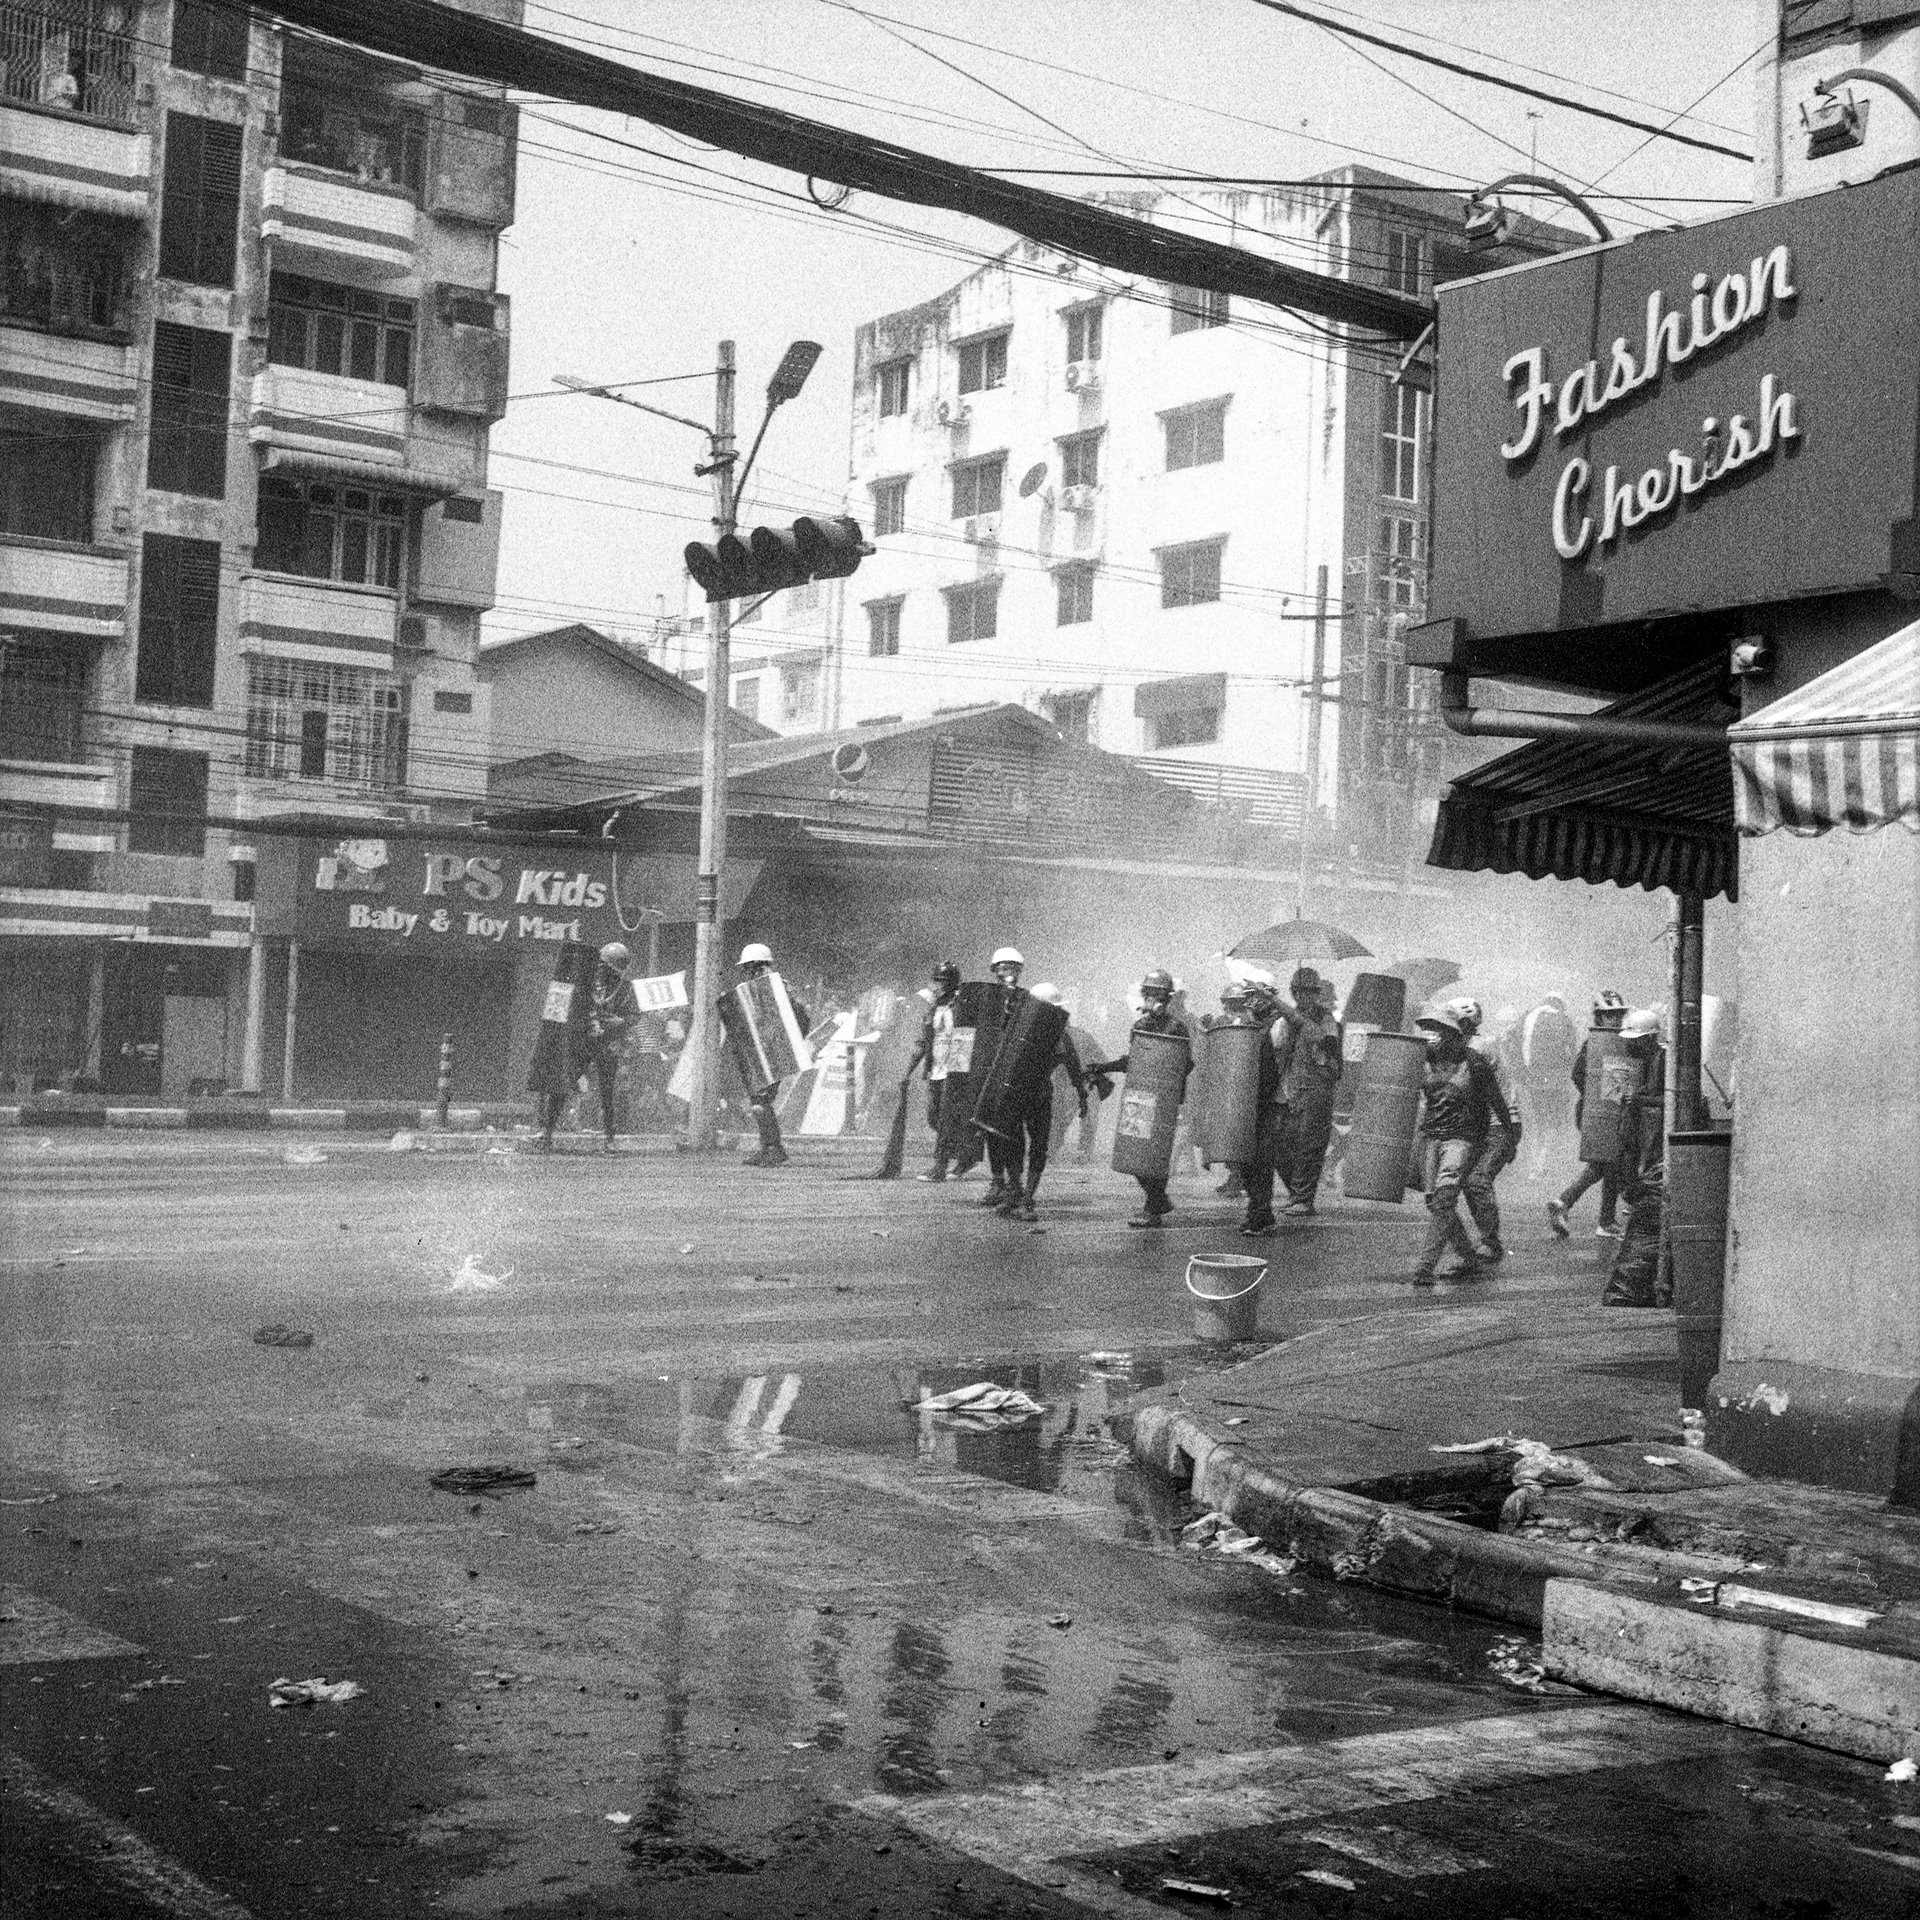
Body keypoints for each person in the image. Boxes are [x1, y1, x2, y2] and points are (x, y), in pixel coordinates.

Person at [1411, 1004, 1515, 1287]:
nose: (1436, 1037)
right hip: (1432, 1137)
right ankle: (1468, 1257)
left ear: (1456, 1035)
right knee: (1435, 1202)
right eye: (1434, 1031)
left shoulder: (1475, 1063)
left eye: (1443, 1031)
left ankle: (1424, 1266)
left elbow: (1498, 1103)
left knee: (1445, 1200)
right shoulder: (1425, 1059)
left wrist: (1509, 1139)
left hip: (1463, 1140)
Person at [1086, 968, 1191, 1229]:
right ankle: (1158, 1200)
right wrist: (1104, 1066)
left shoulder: (1177, 1028)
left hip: (1164, 1099)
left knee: (1155, 1154)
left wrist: (1168, 1087)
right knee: (1135, 1150)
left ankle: (1153, 1207)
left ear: (1167, 998)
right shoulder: (1140, 1026)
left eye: (1157, 995)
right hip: (1140, 1097)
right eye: (1148, 994)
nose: (1151, 1000)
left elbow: (1185, 1064)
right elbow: (1133, 1061)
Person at [995, 983, 1088, 1222]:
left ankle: (1026, 1198)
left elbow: (1073, 1064)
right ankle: (1017, 1192)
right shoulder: (1021, 1026)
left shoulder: (1057, 1035)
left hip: (1035, 1093)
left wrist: (1081, 1092)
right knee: (1014, 1143)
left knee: (1033, 1146)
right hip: (1023, 1092)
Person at [536, 941, 636, 1150]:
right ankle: (547, 1132)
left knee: (608, 1092)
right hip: (583, 1039)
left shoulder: (625, 988)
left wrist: (615, 1022)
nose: (601, 969)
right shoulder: (586, 982)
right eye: (600, 965)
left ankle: (610, 1137)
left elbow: (631, 1017)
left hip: (607, 1043)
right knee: (562, 1083)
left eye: (606, 967)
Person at [1602, 1008, 1670, 1307]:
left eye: (1639, 1040)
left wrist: (1640, 1099)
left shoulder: (1666, 1059)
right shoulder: (1647, 1060)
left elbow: (1671, 1099)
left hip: (1656, 1142)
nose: (1633, 1046)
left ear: (1652, 1039)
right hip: (1643, 1140)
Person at [1547, 992, 1627, 1239]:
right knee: (1606, 1163)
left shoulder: (1617, 1040)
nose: (1615, 1020)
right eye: (1609, 1015)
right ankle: (1596, 1217)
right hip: (1595, 1112)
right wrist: (1595, 1096)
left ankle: (1570, 1204)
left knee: (1606, 1164)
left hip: (1605, 1111)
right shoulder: (1594, 1042)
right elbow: (1578, 1074)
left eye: (1617, 1015)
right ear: (1599, 1017)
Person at [1449, 997, 1521, 1262]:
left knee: (1476, 1180)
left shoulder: (1478, 1048)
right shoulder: (1465, 1046)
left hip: (1499, 1125)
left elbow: (1491, 1096)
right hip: (1483, 1124)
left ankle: (1490, 1242)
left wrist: (1511, 1136)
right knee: (1463, 1183)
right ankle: (1478, 1243)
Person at [735, 942, 811, 1168]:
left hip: (774, 1050)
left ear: (757, 966)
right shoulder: (763, 987)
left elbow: (793, 1020)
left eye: (749, 967)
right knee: (759, 1099)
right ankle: (767, 1147)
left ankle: (773, 1149)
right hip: (764, 1049)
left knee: (761, 1100)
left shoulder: (776, 987)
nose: (747, 972)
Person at [1274, 969, 1343, 1217]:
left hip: (1318, 1088)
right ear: (1294, 993)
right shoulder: (1285, 1020)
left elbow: (1321, 1037)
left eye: (1311, 991)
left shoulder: (1326, 1019)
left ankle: (1304, 1198)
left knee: (1309, 1146)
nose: (1307, 996)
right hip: (1292, 1087)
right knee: (1280, 1144)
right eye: (1301, 992)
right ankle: (1297, 1193)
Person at [1233, 970, 1289, 1239]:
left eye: (1256, 996)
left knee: (1261, 1159)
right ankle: (1259, 1212)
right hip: (1250, 1098)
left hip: (1273, 1098)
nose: (1251, 1002)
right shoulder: (1251, 1025)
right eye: (1249, 997)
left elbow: (1275, 1064)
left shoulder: (1280, 1024)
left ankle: (1260, 1213)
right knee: (1246, 1158)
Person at [979, 946, 1028, 1209]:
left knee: (1012, 1131)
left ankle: (1016, 1182)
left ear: (1018, 971)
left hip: (1014, 1072)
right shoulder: (987, 999)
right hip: (989, 1072)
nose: (1005, 972)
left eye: (1010, 967)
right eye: (1001, 968)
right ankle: (997, 1180)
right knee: (990, 1130)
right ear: (994, 971)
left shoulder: (1025, 999)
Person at [904, 960, 962, 1180]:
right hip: (936, 1068)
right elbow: (923, 1041)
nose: (938, 985)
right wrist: (908, 1070)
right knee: (933, 1117)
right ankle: (963, 1151)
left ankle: (940, 1165)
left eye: (943, 981)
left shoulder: (961, 1005)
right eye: (936, 980)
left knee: (946, 1117)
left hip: (955, 1069)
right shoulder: (934, 1007)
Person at [1519, 991, 1580, 1176]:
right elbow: (1573, 1050)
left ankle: (1533, 1165)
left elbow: (1523, 1046)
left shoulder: (1530, 1017)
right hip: (1558, 1079)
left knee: (1537, 1121)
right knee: (1554, 1121)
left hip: (1535, 1078)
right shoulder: (1565, 1019)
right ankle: (1545, 1163)